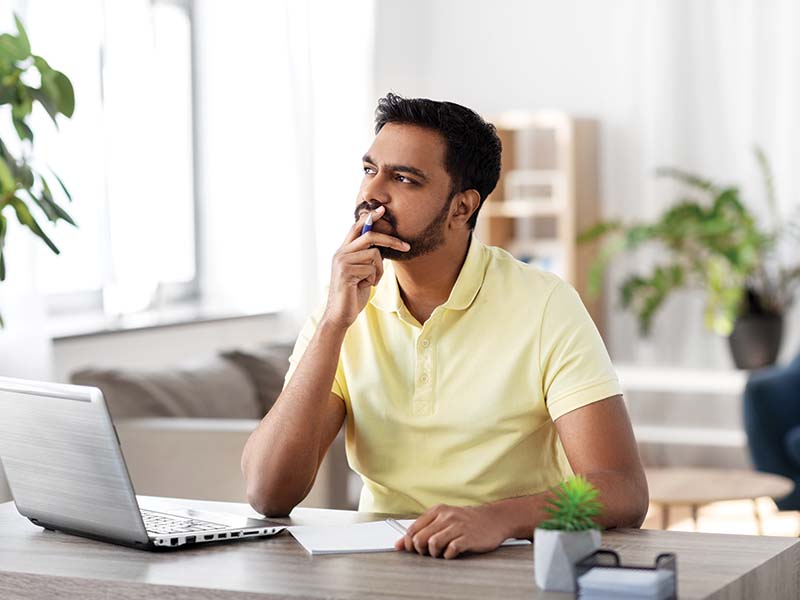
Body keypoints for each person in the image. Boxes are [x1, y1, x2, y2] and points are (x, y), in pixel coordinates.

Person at [242, 93, 648, 559]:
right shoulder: (343, 307)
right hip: (381, 565)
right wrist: (335, 322)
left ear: (461, 207)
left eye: (404, 179)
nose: (372, 194)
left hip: (509, 560)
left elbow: (621, 490)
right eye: (370, 170)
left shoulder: (546, 305)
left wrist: (499, 517)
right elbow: (266, 493)